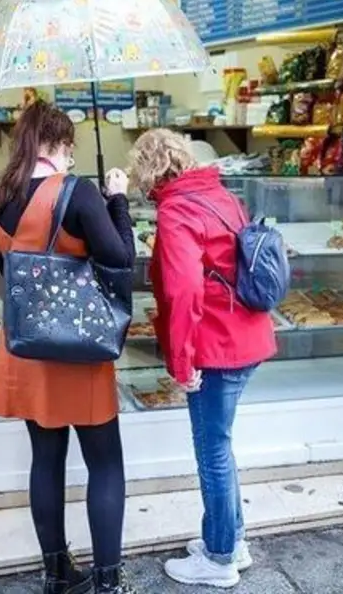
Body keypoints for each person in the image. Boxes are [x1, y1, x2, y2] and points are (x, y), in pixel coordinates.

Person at [0, 101, 136, 594]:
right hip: (80, 350)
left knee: (45, 460)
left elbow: (11, 275)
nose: (71, 158)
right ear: (61, 144)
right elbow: (121, 259)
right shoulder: (77, 192)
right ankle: (108, 584)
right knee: (105, 463)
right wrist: (117, 199)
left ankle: (56, 573)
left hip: (27, 350)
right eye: (68, 148)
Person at [128, 129, 277, 589]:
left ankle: (218, 559)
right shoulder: (220, 195)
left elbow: (184, 289)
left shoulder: (175, 211)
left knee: (212, 451)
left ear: (151, 171)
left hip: (217, 344)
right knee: (222, 447)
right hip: (247, 334)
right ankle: (233, 541)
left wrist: (181, 361)